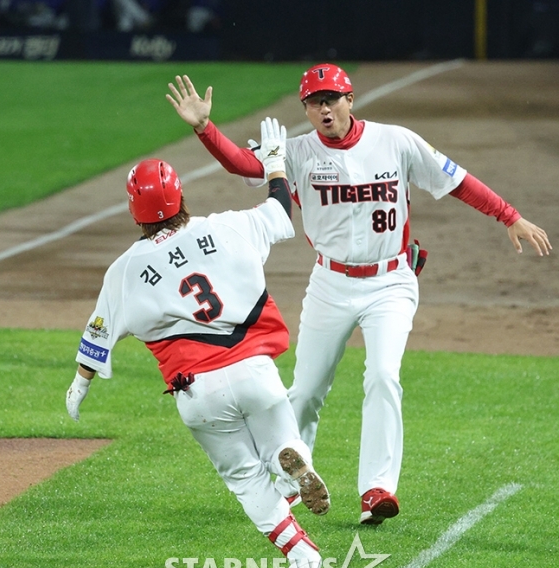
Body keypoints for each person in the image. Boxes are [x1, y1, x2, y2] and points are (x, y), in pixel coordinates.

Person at [165, 65, 552, 526]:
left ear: (351, 98)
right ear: (306, 109)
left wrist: (509, 216)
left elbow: (457, 179)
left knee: (384, 376)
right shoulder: (297, 151)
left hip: (390, 282)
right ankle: (290, 482)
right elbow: (244, 164)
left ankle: (378, 489)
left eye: (332, 99)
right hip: (330, 283)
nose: (323, 108)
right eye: (313, 102)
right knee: (305, 391)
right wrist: (205, 128)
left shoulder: (397, 141)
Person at [65, 118, 330, 568]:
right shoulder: (228, 227)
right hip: (255, 372)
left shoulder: (125, 270)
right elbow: (279, 208)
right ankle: (294, 464)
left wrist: (79, 385)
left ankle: (301, 551)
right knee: (280, 440)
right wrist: (273, 162)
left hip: (197, 391)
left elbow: (98, 337)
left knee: (244, 478)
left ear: (135, 211)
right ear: (181, 195)